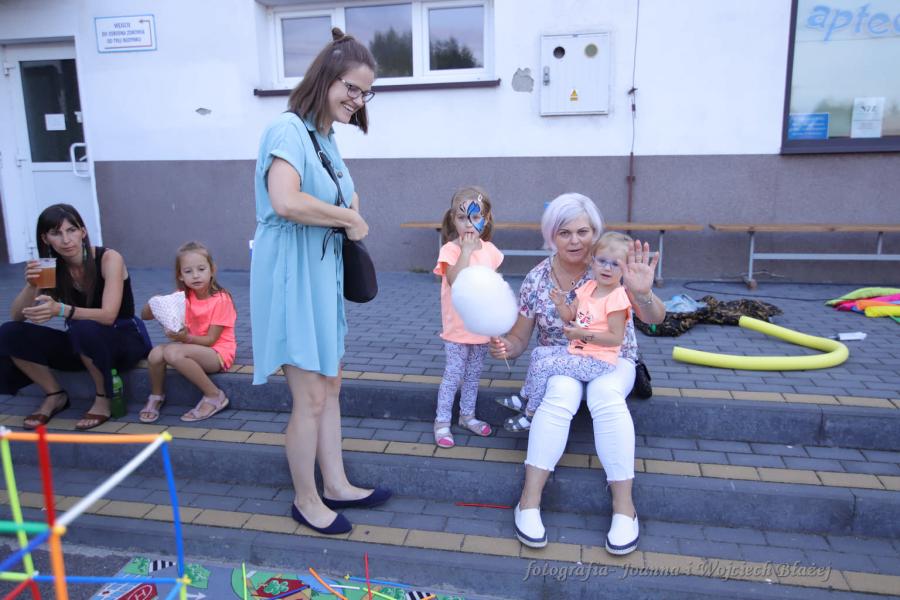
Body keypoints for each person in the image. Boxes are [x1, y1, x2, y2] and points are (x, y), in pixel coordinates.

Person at [250, 27, 390, 536]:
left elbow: (342, 197)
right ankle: (305, 499)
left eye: (365, 92)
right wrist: (348, 217)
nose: (358, 100)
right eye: (352, 88)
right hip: (292, 275)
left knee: (330, 385)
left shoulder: (324, 137)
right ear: (326, 78)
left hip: (320, 272)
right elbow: (285, 200)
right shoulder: (287, 129)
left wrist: (348, 210)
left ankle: (336, 484)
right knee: (309, 395)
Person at [489, 193, 665, 556]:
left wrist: (643, 292)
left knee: (604, 395)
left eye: (582, 231)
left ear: (594, 232)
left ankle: (624, 509)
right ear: (551, 235)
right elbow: (520, 338)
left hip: (613, 359)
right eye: (564, 232)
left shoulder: (611, 265)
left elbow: (655, 319)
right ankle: (529, 502)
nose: (574, 241)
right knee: (560, 393)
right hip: (564, 359)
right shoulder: (537, 279)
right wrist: (506, 346)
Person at [0, 203, 151, 430]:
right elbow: (17, 316)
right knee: (9, 332)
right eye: (56, 233)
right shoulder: (51, 268)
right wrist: (32, 285)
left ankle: (103, 397)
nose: (66, 240)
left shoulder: (109, 259)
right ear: (45, 239)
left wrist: (61, 310)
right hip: (82, 344)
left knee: (82, 327)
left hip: (123, 340)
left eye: (71, 230)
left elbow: (109, 315)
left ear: (83, 232)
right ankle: (55, 394)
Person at [499, 232, 633, 431]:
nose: (607, 268)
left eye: (616, 264)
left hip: (599, 361)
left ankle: (531, 413)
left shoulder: (617, 298)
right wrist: (561, 304)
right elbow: (569, 316)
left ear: (626, 269)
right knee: (538, 354)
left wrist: (581, 335)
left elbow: (615, 338)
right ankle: (525, 397)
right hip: (579, 351)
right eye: (602, 261)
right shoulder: (589, 287)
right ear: (593, 261)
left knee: (544, 367)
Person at [432, 187, 503, 448]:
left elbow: (493, 289)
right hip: (457, 329)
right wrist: (465, 251)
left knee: (473, 375)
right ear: (453, 219)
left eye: (475, 217)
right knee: (453, 375)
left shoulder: (491, 251)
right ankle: (441, 421)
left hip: (480, 328)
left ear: (486, 219)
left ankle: (467, 416)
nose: (469, 224)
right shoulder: (450, 250)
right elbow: (455, 280)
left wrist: (496, 324)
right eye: (462, 218)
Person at [139, 242, 236, 423]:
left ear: (212, 270)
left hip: (217, 353)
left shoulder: (221, 299)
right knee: (155, 354)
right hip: (193, 347)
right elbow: (145, 316)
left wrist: (185, 337)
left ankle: (214, 395)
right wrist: (154, 302)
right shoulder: (182, 296)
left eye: (201, 269)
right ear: (180, 275)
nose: (196, 275)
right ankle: (157, 395)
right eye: (188, 271)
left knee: (172, 352)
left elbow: (211, 340)